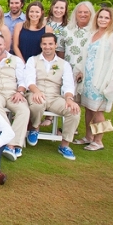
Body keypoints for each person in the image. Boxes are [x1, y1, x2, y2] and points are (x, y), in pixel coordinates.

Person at [24, 33, 81, 161]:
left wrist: (69, 99)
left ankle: (65, 144)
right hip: (35, 93)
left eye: (50, 44)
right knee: (38, 104)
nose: (47, 46)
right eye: (44, 44)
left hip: (55, 96)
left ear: (56, 45)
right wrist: (37, 91)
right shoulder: (32, 60)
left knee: (74, 111)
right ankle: (35, 127)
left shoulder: (64, 64)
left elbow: (68, 85)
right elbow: (29, 80)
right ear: (41, 45)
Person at [74, 7, 113, 151]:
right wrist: (81, 71)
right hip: (88, 78)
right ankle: (89, 136)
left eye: (106, 18)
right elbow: (86, 56)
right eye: (100, 17)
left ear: (112, 20)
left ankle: (99, 140)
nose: (102, 20)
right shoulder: (93, 34)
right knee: (89, 109)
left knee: (98, 111)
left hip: (101, 80)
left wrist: (108, 81)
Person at [0, 34, 29, 161]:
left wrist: (20, 92)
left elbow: (22, 80)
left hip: (13, 92)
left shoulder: (16, 60)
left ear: (5, 45)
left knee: (24, 110)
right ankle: (12, 144)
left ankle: (10, 143)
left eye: (0, 44)